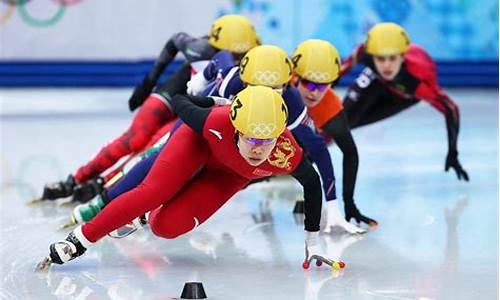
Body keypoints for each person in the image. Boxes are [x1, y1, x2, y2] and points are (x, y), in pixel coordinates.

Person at [68, 45, 365, 236]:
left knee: (252, 168)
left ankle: (145, 212)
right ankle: (100, 203)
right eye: (256, 86)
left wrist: (334, 205)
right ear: (243, 80)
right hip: (203, 125)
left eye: (275, 88)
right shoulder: (229, 80)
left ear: (287, 84)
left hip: (239, 149)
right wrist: (196, 84)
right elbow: (205, 65)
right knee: (155, 161)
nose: (265, 95)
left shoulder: (290, 103)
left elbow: (315, 150)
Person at [38, 86, 344, 271]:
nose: (258, 148)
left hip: (230, 175)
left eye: (267, 141)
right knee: (152, 191)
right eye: (251, 139)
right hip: (199, 145)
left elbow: (313, 185)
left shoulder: (286, 152)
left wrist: (312, 243)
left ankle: (145, 218)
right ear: (236, 128)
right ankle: (80, 238)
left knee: (167, 227)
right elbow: (182, 101)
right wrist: (216, 102)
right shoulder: (215, 121)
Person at [39, 14, 260, 203]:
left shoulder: (256, 59)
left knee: (153, 148)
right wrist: (148, 83)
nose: (233, 60)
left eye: (241, 56)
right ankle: (77, 178)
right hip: (173, 93)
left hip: (193, 106)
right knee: (134, 138)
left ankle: (105, 184)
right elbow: (174, 41)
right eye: (228, 54)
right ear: (213, 46)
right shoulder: (199, 47)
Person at [341, 22, 469, 181]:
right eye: (380, 59)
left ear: (402, 56)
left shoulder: (417, 80)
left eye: (392, 58)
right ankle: (305, 162)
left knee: (343, 126)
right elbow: (334, 74)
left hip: (405, 95)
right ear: (372, 55)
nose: (387, 65)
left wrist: (453, 152)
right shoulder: (364, 52)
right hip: (376, 81)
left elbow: (451, 109)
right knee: (338, 121)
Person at [290, 39, 378, 228]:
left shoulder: (330, 107)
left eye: (322, 86)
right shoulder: (278, 84)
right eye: (308, 83)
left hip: (301, 145)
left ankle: (302, 191)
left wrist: (349, 203)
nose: (314, 93)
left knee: (311, 142)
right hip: (268, 139)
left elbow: (350, 152)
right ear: (294, 76)